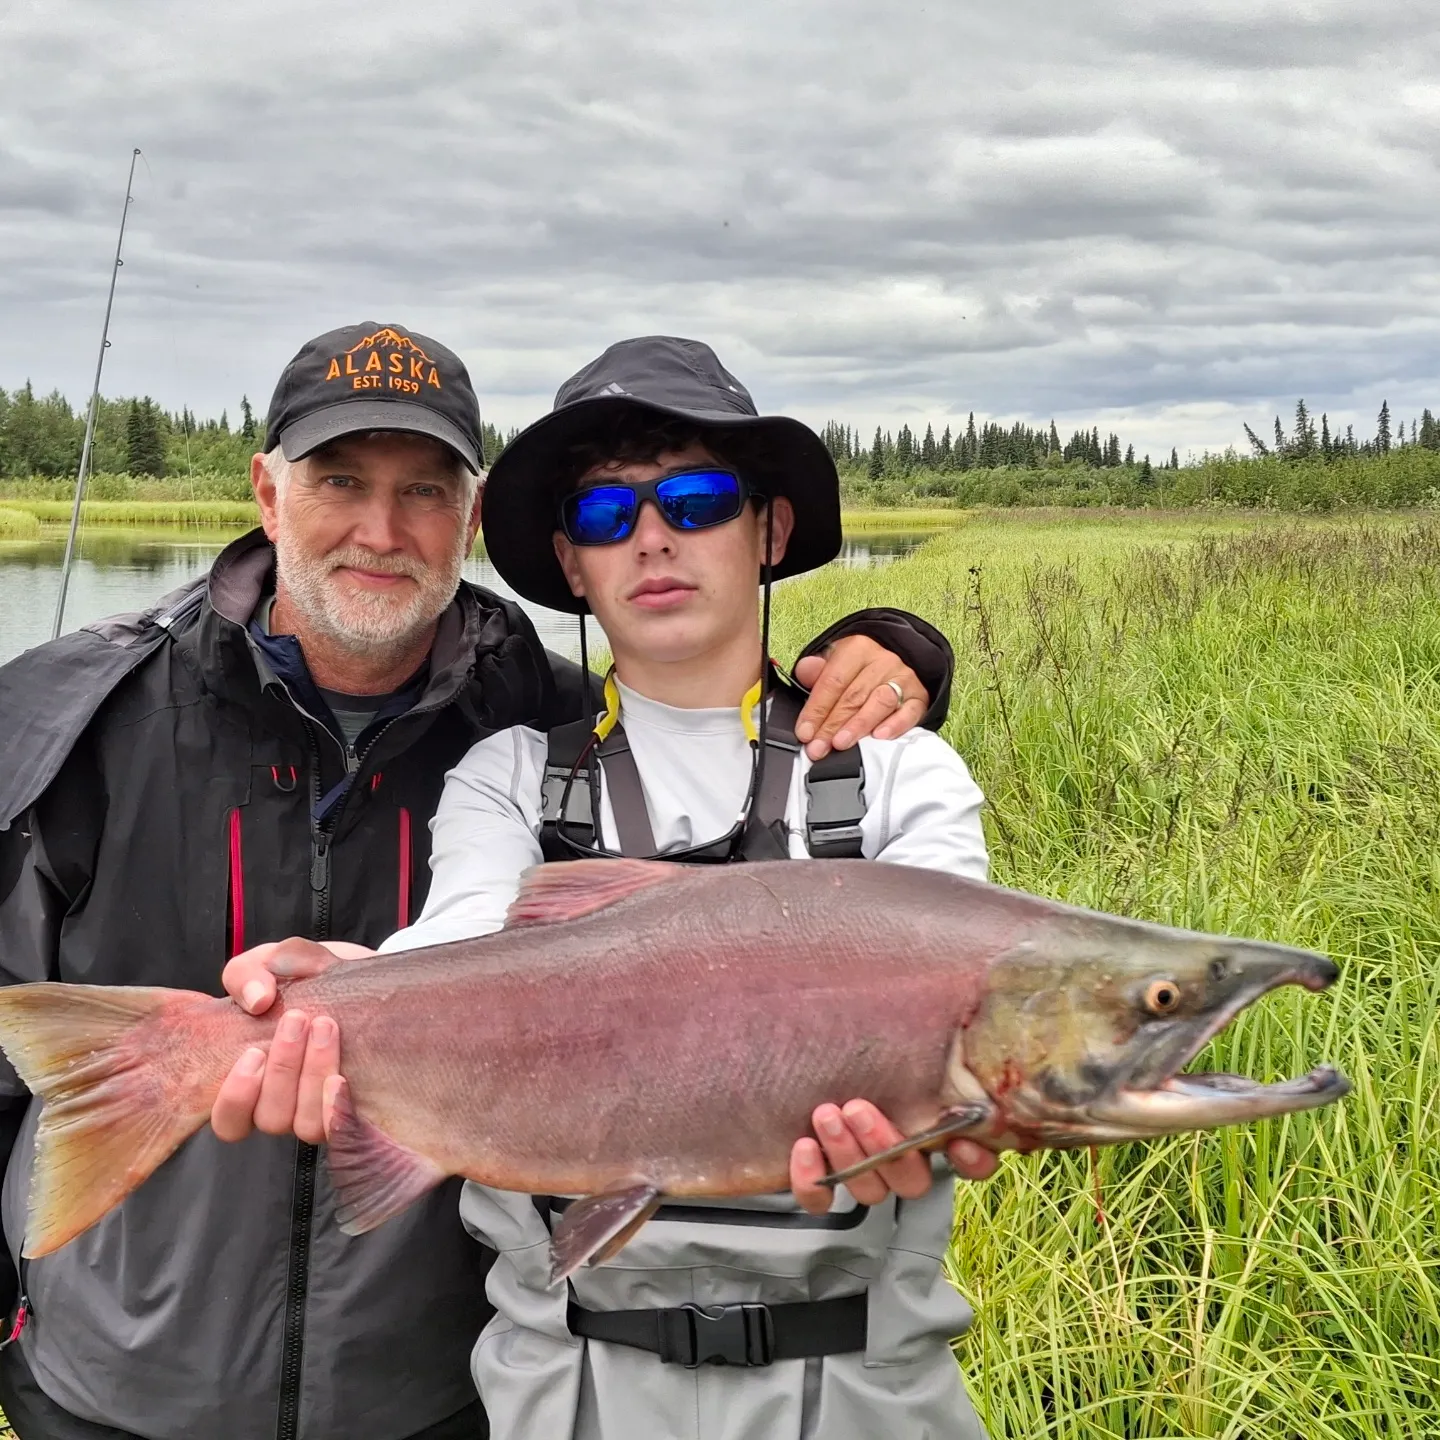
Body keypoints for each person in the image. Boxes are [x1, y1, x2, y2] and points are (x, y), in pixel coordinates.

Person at [0, 321, 955, 1440]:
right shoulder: (64, 716)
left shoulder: (528, 710)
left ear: (471, 514)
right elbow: (459, 940)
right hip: (116, 1378)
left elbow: (711, 727)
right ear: (267, 492)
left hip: (425, 1389)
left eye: (423, 490)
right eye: (339, 480)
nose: (380, 529)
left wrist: (894, 648)